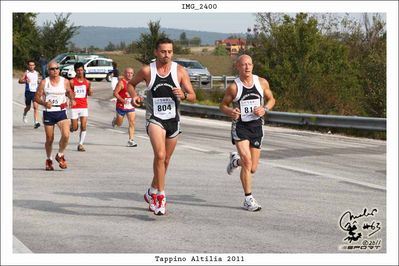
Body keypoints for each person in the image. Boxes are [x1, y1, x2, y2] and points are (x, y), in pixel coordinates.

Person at [127, 37, 196, 215]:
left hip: (173, 120)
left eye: (170, 52)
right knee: (160, 154)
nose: (167, 55)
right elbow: (131, 84)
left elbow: (193, 95)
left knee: (165, 160)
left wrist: (184, 94)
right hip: (155, 118)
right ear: (156, 52)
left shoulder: (179, 71)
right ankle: (160, 196)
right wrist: (134, 96)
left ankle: (151, 190)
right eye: (163, 51)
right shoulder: (147, 71)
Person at [219, 54, 275, 212]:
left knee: (252, 168)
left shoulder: (261, 82)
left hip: (257, 127)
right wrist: (231, 111)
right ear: (238, 67)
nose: (247, 67)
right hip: (241, 126)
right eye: (244, 64)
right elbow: (222, 105)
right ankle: (248, 199)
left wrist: (265, 109)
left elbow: (271, 99)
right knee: (247, 161)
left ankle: (235, 162)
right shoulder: (234, 87)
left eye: (250, 64)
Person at [34, 60, 76, 171]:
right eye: (52, 69)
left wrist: (72, 99)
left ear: (59, 69)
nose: (55, 71)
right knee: (49, 139)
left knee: (66, 135)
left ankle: (60, 155)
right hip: (49, 113)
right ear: (48, 70)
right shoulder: (44, 82)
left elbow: (70, 91)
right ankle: (49, 160)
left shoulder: (65, 81)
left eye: (57, 68)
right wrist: (44, 103)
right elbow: (36, 97)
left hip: (61, 111)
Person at [111, 67, 137, 147]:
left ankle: (131, 140)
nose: (129, 74)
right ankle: (115, 121)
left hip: (130, 105)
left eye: (131, 73)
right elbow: (115, 93)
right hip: (121, 105)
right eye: (128, 73)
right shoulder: (121, 83)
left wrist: (137, 98)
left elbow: (133, 93)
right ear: (125, 73)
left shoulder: (133, 83)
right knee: (119, 124)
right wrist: (122, 100)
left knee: (132, 123)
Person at [69, 62, 93, 152]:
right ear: (75, 71)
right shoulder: (71, 82)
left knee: (83, 126)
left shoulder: (87, 82)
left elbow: (90, 94)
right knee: (75, 128)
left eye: (81, 70)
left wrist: (90, 90)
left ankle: (80, 144)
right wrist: (71, 98)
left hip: (83, 106)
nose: (80, 72)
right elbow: (67, 93)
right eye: (78, 70)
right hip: (74, 107)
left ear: (84, 70)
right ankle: (71, 127)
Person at [18, 60, 41, 129]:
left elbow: (39, 81)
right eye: (30, 65)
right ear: (28, 66)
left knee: (35, 107)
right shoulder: (26, 73)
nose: (31, 66)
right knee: (28, 107)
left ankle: (36, 122)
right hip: (28, 92)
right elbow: (19, 81)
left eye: (32, 65)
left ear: (34, 66)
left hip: (35, 92)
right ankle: (25, 114)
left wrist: (39, 81)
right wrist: (25, 81)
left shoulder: (37, 73)